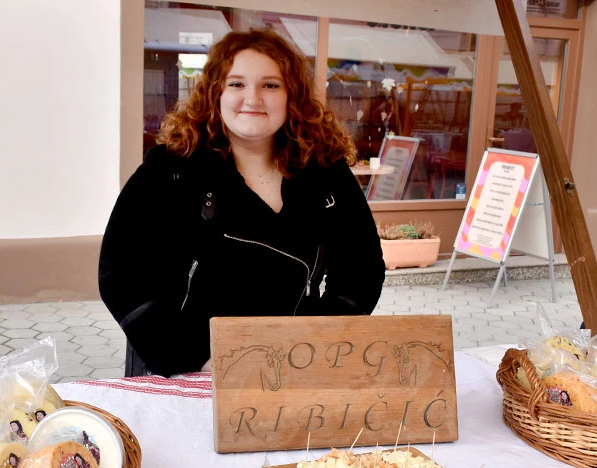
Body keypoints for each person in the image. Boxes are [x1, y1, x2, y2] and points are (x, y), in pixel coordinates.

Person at [99, 28, 385, 378]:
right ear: (214, 93)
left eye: (270, 85)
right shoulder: (172, 168)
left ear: (291, 95)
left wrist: (317, 343)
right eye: (236, 84)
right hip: (185, 370)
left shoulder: (325, 170)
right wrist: (189, 357)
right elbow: (120, 273)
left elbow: (363, 268)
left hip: (290, 368)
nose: (253, 98)